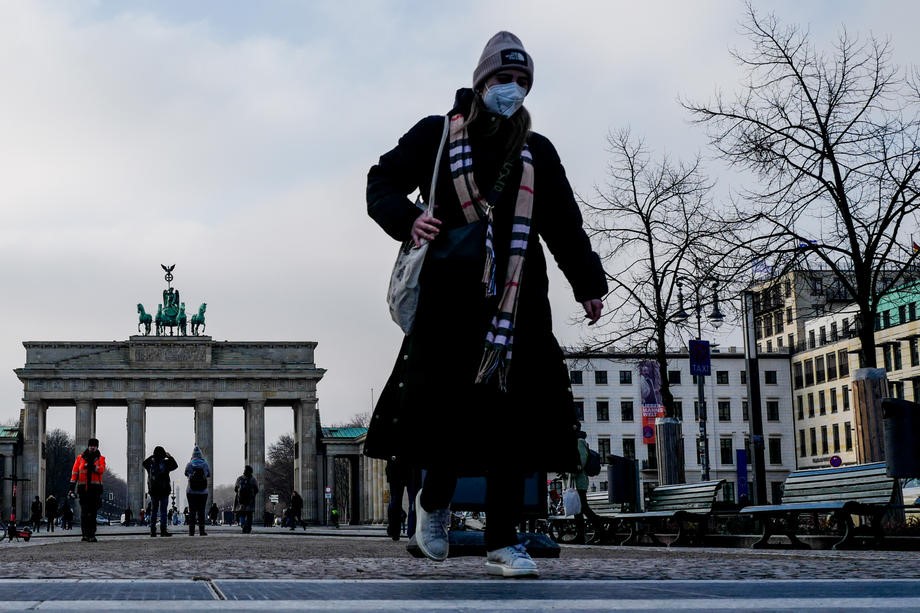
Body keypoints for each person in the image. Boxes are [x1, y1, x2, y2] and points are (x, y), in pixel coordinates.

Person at [364, 31, 606, 578]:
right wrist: (408, 218)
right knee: (448, 413)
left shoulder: (538, 151)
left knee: (513, 421)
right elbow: (381, 181)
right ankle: (434, 500)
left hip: (519, 302)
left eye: (522, 81)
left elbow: (563, 224)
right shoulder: (436, 135)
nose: (512, 89)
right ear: (481, 82)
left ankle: (503, 540)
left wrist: (588, 282)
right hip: (449, 298)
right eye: (503, 78)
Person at [69, 437, 106, 542]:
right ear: (88, 446)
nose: (92, 447)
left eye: (94, 446)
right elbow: (74, 473)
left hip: (95, 490)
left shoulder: (101, 458)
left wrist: (92, 467)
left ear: (97, 447)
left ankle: (92, 534)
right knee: (84, 512)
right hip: (83, 490)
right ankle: (85, 534)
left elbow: (102, 469)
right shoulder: (80, 458)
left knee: (93, 513)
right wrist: (71, 488)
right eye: (91, 446)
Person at [573, 431, 605, 544]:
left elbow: (581, 460)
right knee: (578, 509)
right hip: (576, 482)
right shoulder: (576, 443)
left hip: (579, 481)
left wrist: (571, 470)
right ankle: (580, 535)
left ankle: (600, 527)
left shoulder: (579, 442)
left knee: (583, 508)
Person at [143, 445, 178, 537]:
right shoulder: (165, 463)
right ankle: (163, 531)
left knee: (154, 511)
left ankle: (153, 531)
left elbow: (144, 463)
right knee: (163, 511)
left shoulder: (151, 464)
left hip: (154, 490)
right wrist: (169, 456)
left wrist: (153, 456)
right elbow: (175, 465)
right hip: (164, 490)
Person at [184, 445, 211, 536]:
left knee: (192, 511)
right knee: (201, 511)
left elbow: (185, 473)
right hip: (203, 492)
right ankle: (202, 531)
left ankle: (191, 531)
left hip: (191, 491)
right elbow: (208, 474)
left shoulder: (190, 464)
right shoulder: (205, 464)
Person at [234, 465, 259, 534]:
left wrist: (239, 494)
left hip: (241, 501)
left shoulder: (239, 479)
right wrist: (253, 495)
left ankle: (243, 524)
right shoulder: (253, 479)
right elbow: (256, 489)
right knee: (249, 515)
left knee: (242, 514)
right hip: (250, 500)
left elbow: (235, 489)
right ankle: (249, 527)